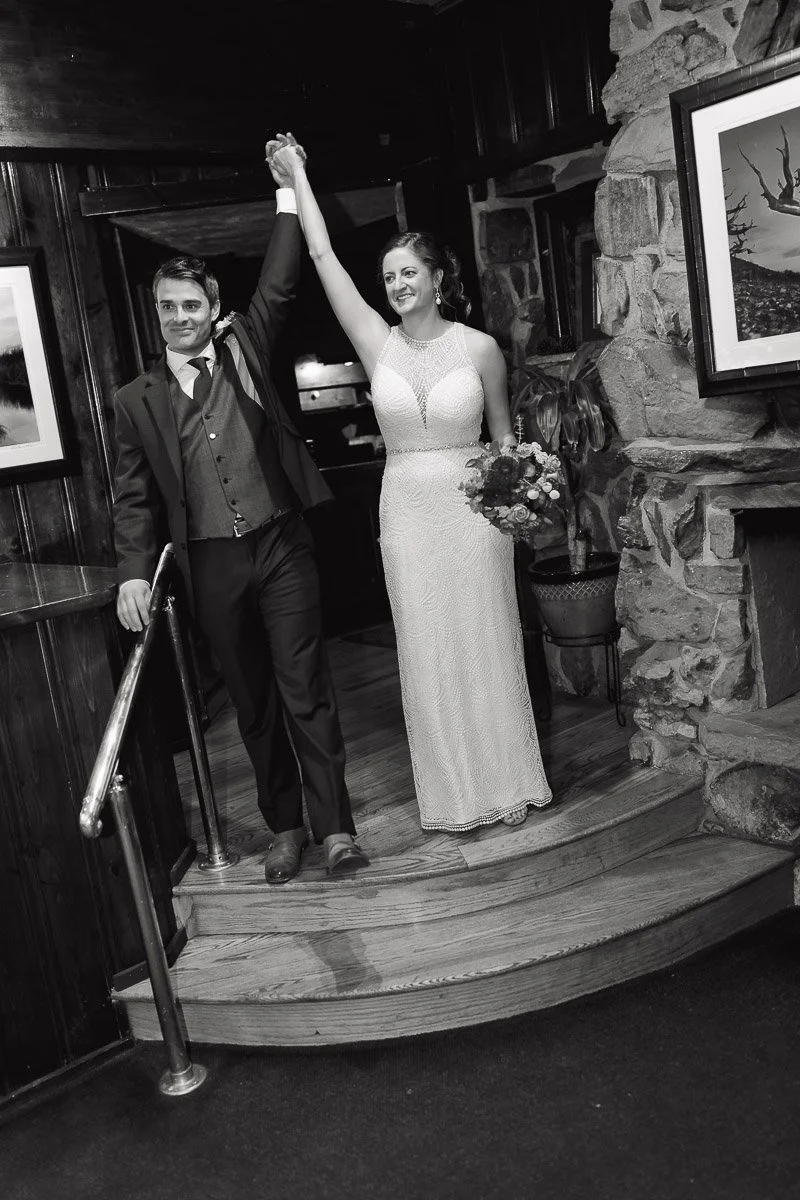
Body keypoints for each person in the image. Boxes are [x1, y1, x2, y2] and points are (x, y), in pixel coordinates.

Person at [268, 133, 552, 832]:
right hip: (406, 514)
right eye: (389, 276)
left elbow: (503, 439)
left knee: (486, 640)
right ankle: (454, 796)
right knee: (427, 649)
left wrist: (520, 496)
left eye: (407, 273)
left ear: (437, 277)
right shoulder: (376, 342)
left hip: (473, 515)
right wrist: (298, 177)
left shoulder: (480, 349)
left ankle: (509, 782)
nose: (396, 284)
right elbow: (323, 256)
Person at [111, 138, 368, 882]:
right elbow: (132, 496)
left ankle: (335, 829)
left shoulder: (245, 347)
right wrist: (133, 572)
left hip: (281, 544)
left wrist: (286, 188)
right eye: (167, 307)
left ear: (214, 309)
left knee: (304, 688)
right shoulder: (135, 401)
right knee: (252, 703)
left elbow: (282, 280)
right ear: (156, 313)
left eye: (191, 305)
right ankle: (285, 827)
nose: (179, 317)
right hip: (211, 565)